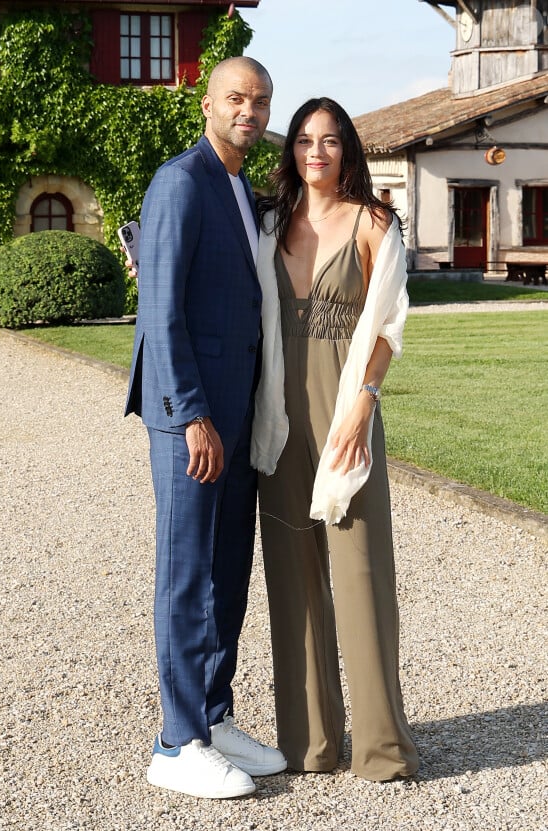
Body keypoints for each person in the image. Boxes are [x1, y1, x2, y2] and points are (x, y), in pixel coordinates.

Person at [124, 56, 286, 800]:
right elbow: (160, 311)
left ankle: (213, 717)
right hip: (191, 419)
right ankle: (174, 741)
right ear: (208, 104)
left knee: (227, 575)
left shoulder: (241, 191)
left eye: (259, 101)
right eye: (236, 98)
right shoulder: (180, 181)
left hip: (238, 413)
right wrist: (191, 414)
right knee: (187, 576)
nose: (248, 110)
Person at [251, 97, 419, 782]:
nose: (315, 153)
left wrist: (363, 409)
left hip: (345, 409)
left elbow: (387, 326)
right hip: (276, 419)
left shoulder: (375, 222)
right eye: (302, 141)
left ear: (347, 148)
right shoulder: (268, 223)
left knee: (360, 575)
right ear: (290, 150)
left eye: (328, 141)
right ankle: (310, 744)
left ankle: (382, 748)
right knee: (292, 582)